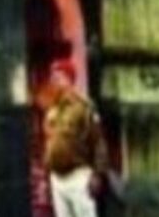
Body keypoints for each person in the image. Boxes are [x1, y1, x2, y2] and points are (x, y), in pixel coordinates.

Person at [44, 59, 108, 217]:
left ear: (68, 80)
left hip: (78, 176)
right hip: (57, 179)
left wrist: (98, 174)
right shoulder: (52, 110)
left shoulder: (83, 107)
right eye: (52, 78)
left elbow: (98, 142)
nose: (53, 81)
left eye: (57, 77)